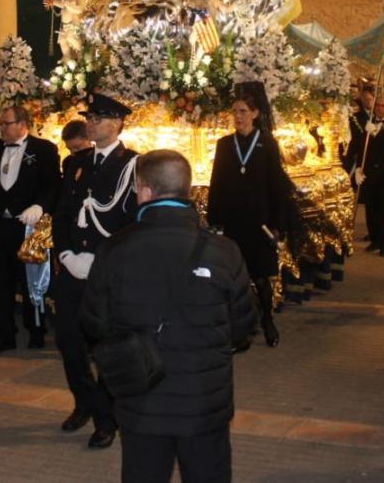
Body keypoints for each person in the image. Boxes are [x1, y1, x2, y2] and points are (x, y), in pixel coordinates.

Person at [81, 149, 256, 483]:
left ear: (146, 192)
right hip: (204, 399)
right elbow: (244, 326)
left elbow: (94, 322)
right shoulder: (224, 251)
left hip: (140, 397)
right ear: (186, 191)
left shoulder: (114, 250)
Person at [53, 93, 139, 449]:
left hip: (107, 274)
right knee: (69, 345)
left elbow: (133, 223)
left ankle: (106, 418)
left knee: (105, 349)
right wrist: (66, 255)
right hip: (73, 270)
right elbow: (61, 215)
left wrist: (100, 261)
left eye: (98, 118)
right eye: (89, 117)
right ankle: (84, 401)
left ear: (117, 123)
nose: (90, 123)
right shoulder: (77, 162)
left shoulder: (133, 165)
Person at [0, 103, 61, 354]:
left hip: (27, 226)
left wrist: (40, 206)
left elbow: (53, 186)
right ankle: (3, 335)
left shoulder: (44, 150)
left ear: (22, 125)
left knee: (31, 280)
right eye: (1, 123)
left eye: (6, 123)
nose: (2, 128)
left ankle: (36, 330)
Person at [207, 85, 293, 347]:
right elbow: (217, 184)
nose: (239, 116)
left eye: (243, 111)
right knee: (233, 279)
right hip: (233, 222)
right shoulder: (224, 144)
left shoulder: (267, 143)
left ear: (255, 113)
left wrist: (277, 224)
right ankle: (239, 330)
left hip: (259, 223)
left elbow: (277, 186)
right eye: (235, 112)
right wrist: (215, 222)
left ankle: (267, 320)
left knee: (260, 276)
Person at [341, 94, 384, 257]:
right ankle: (374, 239)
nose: (379, 108)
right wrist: (355, 168)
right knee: (371, 207)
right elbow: (355, 147)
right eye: (377, 105)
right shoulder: (365, 124)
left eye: (383, 106)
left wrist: (377, 134)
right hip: (369, 171)